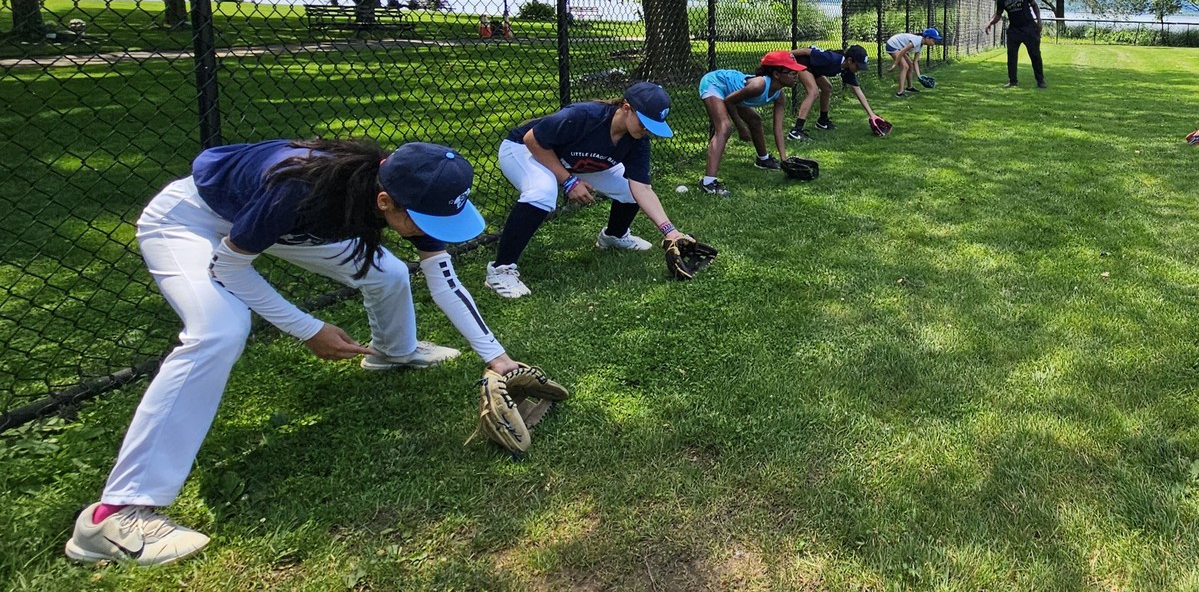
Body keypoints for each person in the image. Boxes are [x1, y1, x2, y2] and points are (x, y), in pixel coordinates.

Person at [67, 139, 522, 565]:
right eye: (428, 221)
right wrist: (308, 328)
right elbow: (230, 267)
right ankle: (114, 516)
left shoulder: (407, 190)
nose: (436, 231)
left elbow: (444, 280)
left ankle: (392, 353)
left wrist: (498, 358)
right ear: (385, 203)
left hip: (272, 222)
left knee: (388, 273)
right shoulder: (302, 189)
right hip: (193, 219)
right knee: (220, 330)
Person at [482, 81, 698, 299]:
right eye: (644, 123)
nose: (646, 130)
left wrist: (670, 232)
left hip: (570, 160)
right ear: (626, 108)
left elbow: (641, 188)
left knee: (628, 189)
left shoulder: (637, 140)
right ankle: (501, 270)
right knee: (542, 192)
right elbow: (532, 139)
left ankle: (614, 236)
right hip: (525, 149)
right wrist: (568, 181)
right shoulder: (585, 115)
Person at [695, 50, 804, 195]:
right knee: (724, 127)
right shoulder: (758, 86)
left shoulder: (779, 96)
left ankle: (763, 159)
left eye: (796, 73)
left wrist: (784, 159)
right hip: (715, 83)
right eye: (792, 73)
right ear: (777, 74)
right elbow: (729, 101)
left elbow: (778, 129)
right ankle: (708, 183)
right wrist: (740, 127)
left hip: (734, 93)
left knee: (755, 120)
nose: (796, 76)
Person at [783, 44, 886, 141]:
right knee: (813, 92)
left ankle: (822, 121)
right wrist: (786, 55)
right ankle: (796, 131)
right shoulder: (832, 58)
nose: (858, 69)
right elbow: (806, 51)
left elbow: (858, 91)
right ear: (850, 60)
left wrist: (871, 115)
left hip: (814, 68)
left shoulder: (847, 70)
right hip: (802, 63)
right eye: (858, 66)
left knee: (827, 87)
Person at [984, 0, 1046, 88]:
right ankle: (1013, 81)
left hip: (1028, 27)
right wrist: (990, 23)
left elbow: (1034, 5)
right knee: (1011, 56)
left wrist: (1039, 20)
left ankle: (1040, 81)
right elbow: (998, 14)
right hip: (1014, 29)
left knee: (1035, 54)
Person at [884, 28, 940, 97]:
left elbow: (915, 62)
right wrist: (895, 64)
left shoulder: (921, 45)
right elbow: (902, 51)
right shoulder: (917, 41)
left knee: (910, 65)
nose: (934, 42)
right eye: (933, 40)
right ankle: (900, 92)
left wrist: (919, 77)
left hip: (900, 47)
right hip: (893, 45)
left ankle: (909, 87)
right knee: (905, 67)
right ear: (927, 38)